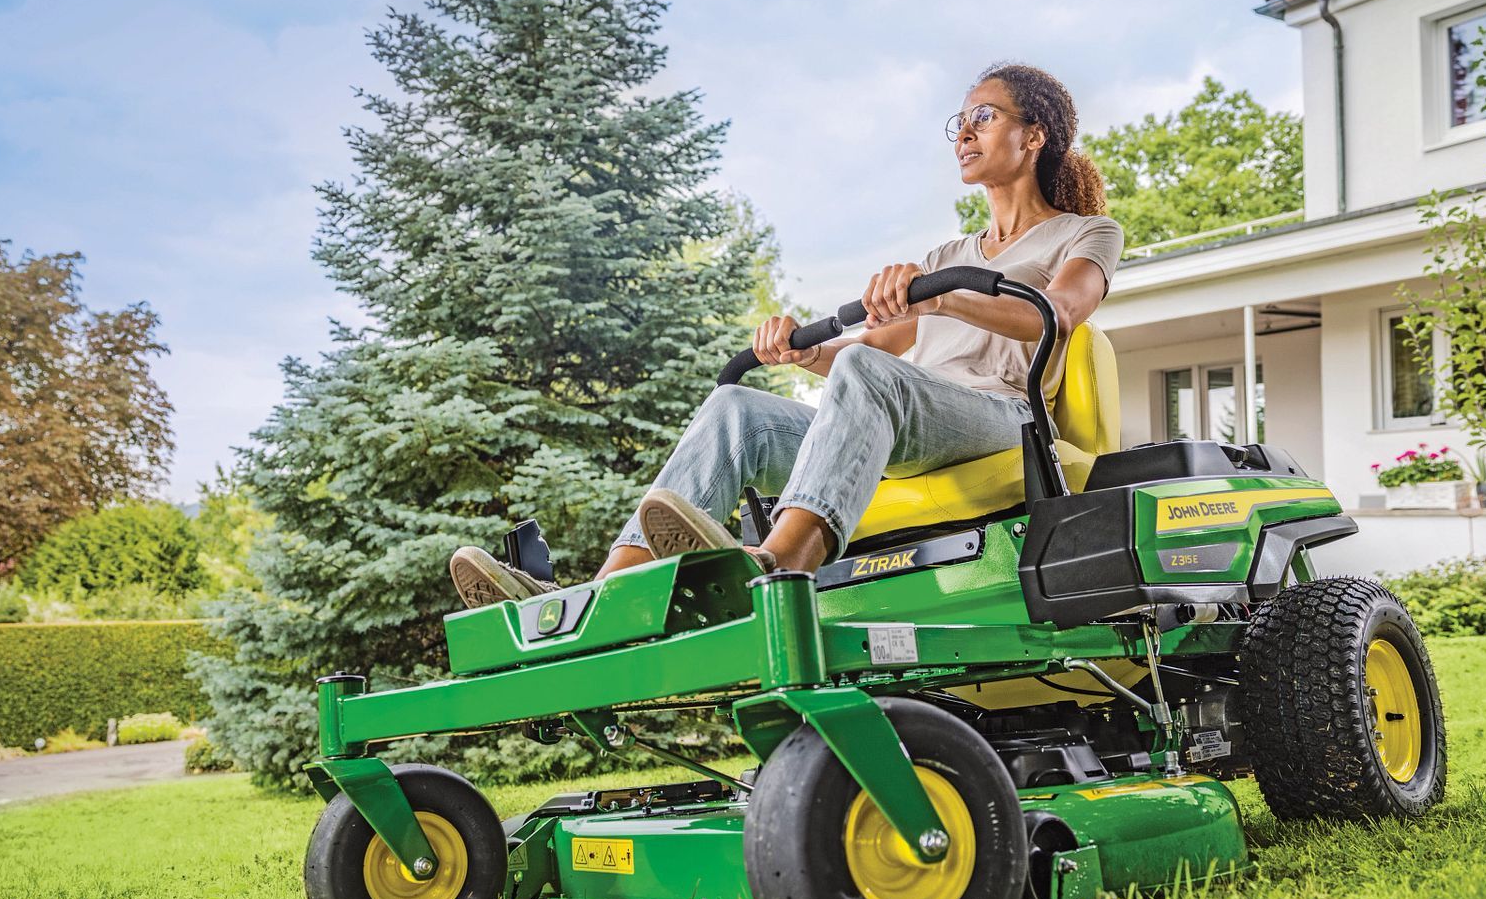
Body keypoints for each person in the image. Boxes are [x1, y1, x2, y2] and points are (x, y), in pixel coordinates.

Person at [447, 61, 1124, 609]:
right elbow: (878, 358)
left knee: (867, 374)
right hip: (917, 415)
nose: (964, 133)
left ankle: (779, 564)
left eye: (984, 116)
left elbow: (1059, 313)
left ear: (1033, 135)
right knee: (734, 410)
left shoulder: (1084, 233)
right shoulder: (947, 254)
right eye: (960, 121)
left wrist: (953, 291)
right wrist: (809, 355)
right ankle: (602, 599)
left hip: (1004, 417)